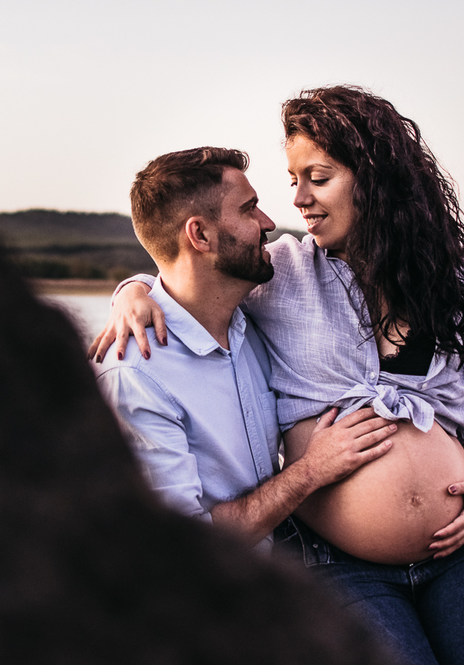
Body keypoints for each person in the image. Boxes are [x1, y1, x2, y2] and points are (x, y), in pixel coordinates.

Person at [92, 86, 464, 665]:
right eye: (293, 181)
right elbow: (193, 271)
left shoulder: (449, 290)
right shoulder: (284, 277)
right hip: (341, 567)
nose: (296, 201)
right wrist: (134, 290)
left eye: (316, 178)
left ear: (374, 178)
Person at [94, 146, 399, 551]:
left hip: (287, 573)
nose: (269, 222)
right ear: (200, 235)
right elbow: (181, 547)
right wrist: (310, 471)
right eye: (249, 209)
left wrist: (133, 287)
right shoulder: (137, 373)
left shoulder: (251, 323)